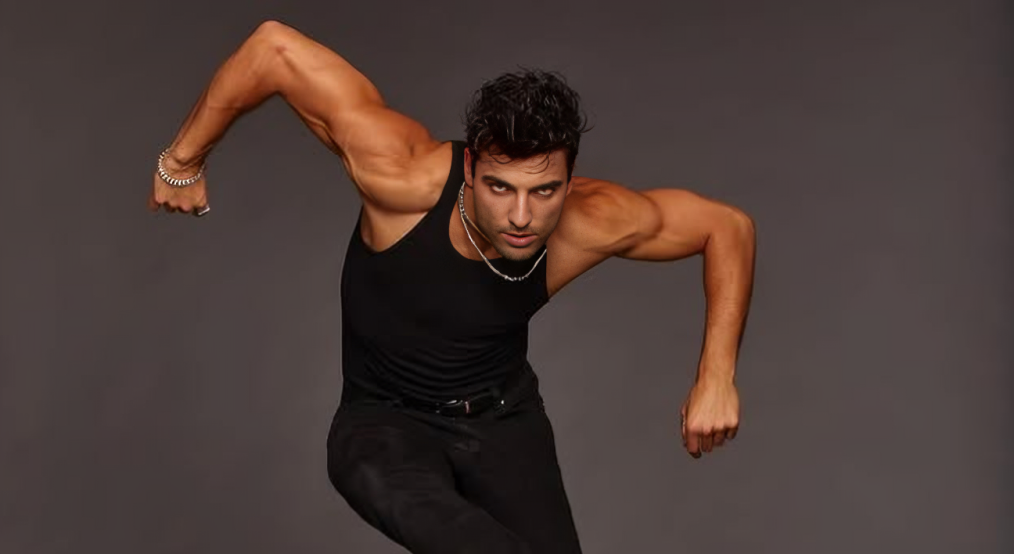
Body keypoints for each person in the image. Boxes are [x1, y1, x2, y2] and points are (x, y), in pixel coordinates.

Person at [149, 20, 755, 554]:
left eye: (543, 191)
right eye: (500, 188)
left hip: (504, 422)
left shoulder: (595, 220)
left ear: (570, 182)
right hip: (383, 425)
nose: (521, 216)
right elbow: (274, 49)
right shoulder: (404, 178)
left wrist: (716, 375)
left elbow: (725, 227)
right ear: (469, 168)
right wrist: (182, 160)